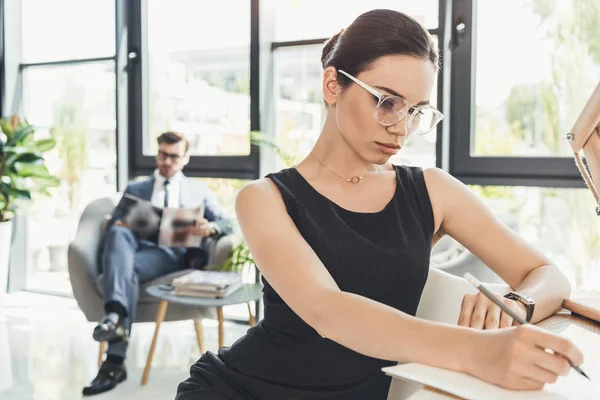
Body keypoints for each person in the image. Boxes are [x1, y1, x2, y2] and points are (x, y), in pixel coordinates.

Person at [176, 10, 584, 400]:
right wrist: (479, 351)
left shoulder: (431, 190)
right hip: (243, 389)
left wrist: (517, 306)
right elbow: (327, 310)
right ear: (333, 85)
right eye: (387, 102)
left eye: (416, 111)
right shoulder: (264, 199)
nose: (402, 128)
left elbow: (547, 275)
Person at [83, 131, 233, 396]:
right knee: (119, 235)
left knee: (121, 271)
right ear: (157, 154)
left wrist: (209, 228)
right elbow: (113, 233)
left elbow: (228, 222)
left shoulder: (197, 191)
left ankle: (113, 355)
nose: (167, 161)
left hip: (172, 257)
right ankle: (115, 323)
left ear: (185, 159)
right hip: (136, 254)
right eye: (163, 154)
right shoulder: (136, 189)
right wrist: (120, 224)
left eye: (174, 156)